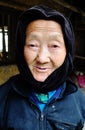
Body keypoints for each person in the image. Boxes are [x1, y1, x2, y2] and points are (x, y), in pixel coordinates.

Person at [0, 5, 85, 130]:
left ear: (67, 51)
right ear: (21, 48)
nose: (42, 59)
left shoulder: (79, 101)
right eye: (33, 45)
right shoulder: (3, 97)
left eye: (54, 46)